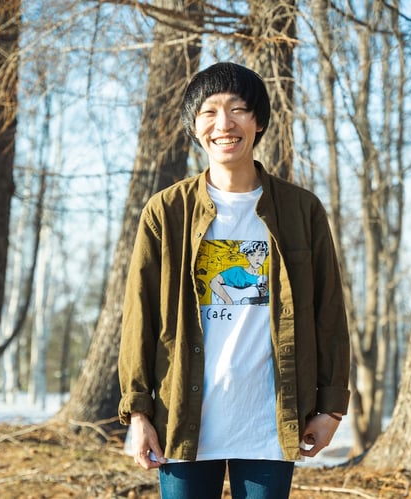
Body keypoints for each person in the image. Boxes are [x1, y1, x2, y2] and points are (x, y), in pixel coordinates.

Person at [118, 61, 350, 499]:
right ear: (194, 126)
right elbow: (139, 319)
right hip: (181, 421)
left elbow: (329, 315)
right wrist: (138, 413)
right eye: (209, 112)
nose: (223, 124)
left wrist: (332, 408)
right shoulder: (166, 212)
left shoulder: (302, 210)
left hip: (269, 423)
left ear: (258, 121)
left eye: (238, 109)